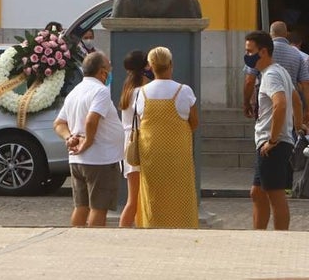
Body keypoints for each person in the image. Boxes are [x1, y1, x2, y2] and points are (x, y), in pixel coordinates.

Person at [53, 51, 124, 227]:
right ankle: (94, 242)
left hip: (78, 160)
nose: (110, 72)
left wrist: (69, 137)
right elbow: (92, 119)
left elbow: (59, 123)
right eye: (109, 67)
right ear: (102, 72)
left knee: (81, 207)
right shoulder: (100, 91)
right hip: (100, 160)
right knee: (99, 208)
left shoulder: (75, 92)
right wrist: (88, 141)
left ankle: (76, 241)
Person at [134, 46, 199, 229]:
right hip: (178, 154)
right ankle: (183, 226)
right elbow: (194, 122)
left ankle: (152, 225)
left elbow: (141, 120)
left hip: (151, 155)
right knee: (180, 193)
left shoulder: (142, 92)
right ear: (171, 64)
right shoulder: (184, 91)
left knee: (153, 195)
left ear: (150, 66)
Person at [246, 31, 300, 231]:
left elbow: (281, 104)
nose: (248, 56)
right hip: (271, 142)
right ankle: (258, 234)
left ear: (263, 51)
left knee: (275, 194)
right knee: (257, 192)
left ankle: (280, 238)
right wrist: (299, 124)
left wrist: (273, 139)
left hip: (273, 144)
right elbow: (296, 99)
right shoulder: (280, 71)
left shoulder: (270, 75)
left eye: (250, 51)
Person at [243, 21, 309, 132]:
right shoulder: (297, 55)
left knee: (266, 132)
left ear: (270, 34)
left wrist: (246, 102)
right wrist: (308, 109)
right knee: (289, 135)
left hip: (265, 102)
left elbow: (249, 80)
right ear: (286, 35)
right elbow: (306, 84)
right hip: (290, 104)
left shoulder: (260, 52)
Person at [117, 49, 149, 227]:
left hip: (129, 141)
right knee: (135, 198)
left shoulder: (127, 88)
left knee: (134, 197)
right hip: (139, 141)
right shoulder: (143, 91)